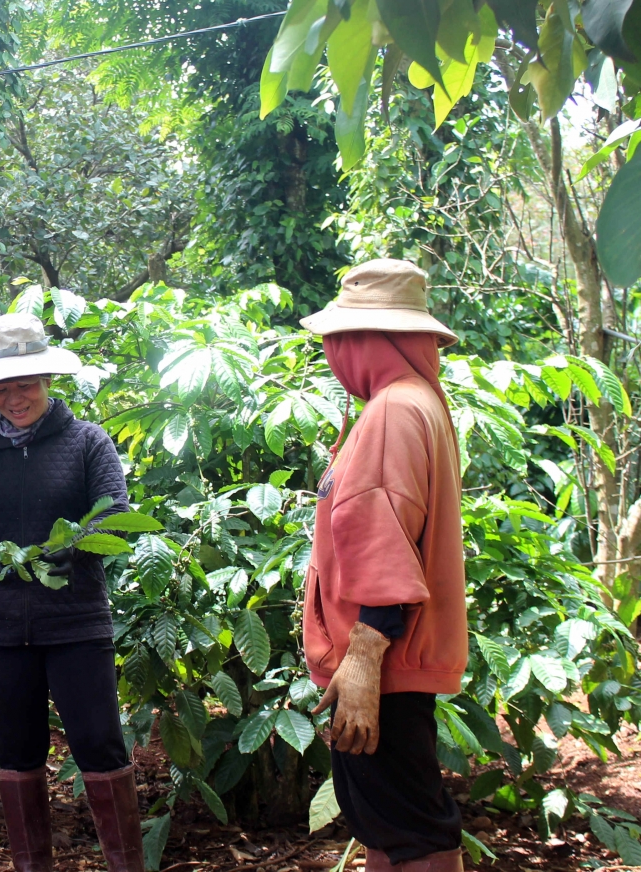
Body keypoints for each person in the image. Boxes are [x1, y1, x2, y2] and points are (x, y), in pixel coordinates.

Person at [0, 312, 144, 872]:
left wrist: (67, 548)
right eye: (1, 387)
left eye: (24, 384)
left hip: (74, 620)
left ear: (47, 381)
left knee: (100, 745)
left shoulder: (86, 442)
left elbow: (114, 518)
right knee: (17, 751)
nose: (13, 397)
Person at [299, 259, 468, 872]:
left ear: (362, 340)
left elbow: (384, 541)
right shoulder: (418, 401)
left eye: (334, 337)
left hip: (385, 658)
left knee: (412, 828)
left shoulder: (395, 409)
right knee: (391, 822)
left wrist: (365, 660)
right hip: (394, 655)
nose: (327, 350)